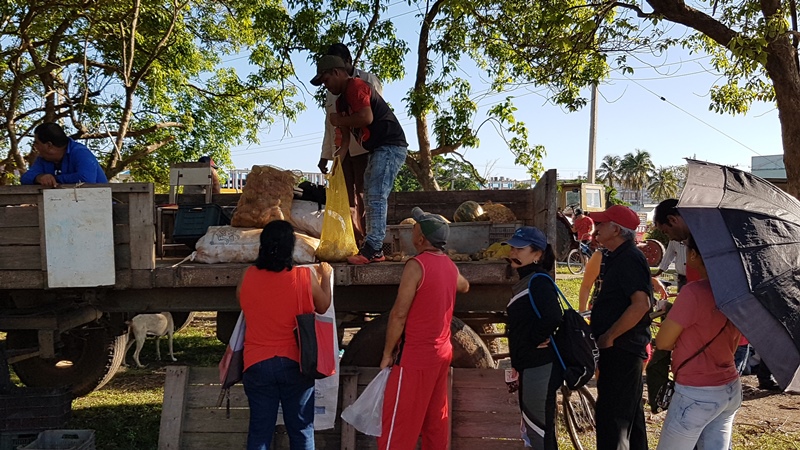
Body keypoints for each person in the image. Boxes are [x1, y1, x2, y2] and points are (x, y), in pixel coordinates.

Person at [378, 207, 469, 449]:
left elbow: (399, 314)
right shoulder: (448, 265)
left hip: (415, 358)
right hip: (441, 353)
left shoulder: (416, 265)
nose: (411, 232)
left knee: (398, 426)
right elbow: (464, 285)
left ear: (421, 238)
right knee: (435, 421)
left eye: (415, 228)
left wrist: (387, 353)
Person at [239, 220, 333, 450]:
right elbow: (323, 306)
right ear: (290, 247)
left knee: (260, 431)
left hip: (257, 362)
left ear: (262, 245)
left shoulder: (247, 276)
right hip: (295, 362)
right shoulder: (304, 278)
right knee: (301, 429)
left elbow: (243, 302)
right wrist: (326, 277)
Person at [311, 55, 408, 265]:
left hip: (390, 145)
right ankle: (374, 247)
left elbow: (366, 117)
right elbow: (345, 139)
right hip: (377, 148)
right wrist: (337, 163)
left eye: (326, 80)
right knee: (369, 195)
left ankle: (373, 247)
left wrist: (339, 120)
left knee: (375, 194)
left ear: (337, 72)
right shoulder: (340, 102)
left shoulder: (356, 86)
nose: (325, 86)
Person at [655, 235, 742, 449]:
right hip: (729, 387)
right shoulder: (737, 291)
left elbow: (663, 342)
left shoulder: (693, 292)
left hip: (697, 392)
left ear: (694, 255)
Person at [587, 205, 652, 450]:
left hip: (623, 349)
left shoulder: (629, 258)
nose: (596, 229)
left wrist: (610, 336)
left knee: (614, 419)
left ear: (616, 229)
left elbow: (641, 304)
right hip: (621, 348)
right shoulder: (618, 256)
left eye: (601, 224)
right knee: (628, 415)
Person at [315, 43, 382, 245]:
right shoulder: (331, 89)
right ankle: (352, 241)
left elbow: (372, 117)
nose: (327, 82)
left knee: (365, 196)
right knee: (345, 198)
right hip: (342, 150)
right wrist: (326, 155)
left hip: (365, 149)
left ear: (346, 63)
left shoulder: (368, 81)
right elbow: (330, 124)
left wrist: (375, 150)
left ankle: (369, 242)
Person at [503, 226, 563, 449]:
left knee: (539, 431)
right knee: (534, 429)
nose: (513, 253)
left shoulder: (538, 281)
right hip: (529, 366)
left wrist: (531, 340)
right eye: (512, 247)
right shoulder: (527, 280)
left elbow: (553, 316)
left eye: (520, 248)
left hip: (539, 367)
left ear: (537, 254)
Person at [21, 122, 108, 186]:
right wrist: (39, 177)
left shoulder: (80, 152)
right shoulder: (43, 159)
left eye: (37, 143)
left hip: (98, 207)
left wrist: (54, 179)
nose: (35, 146)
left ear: (49, 145)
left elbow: (86, 179)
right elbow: (25, 178)